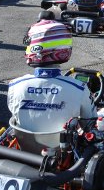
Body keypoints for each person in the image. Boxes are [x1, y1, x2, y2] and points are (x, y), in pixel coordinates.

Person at [8, 18, 98, 151]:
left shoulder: (15, 86)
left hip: (23, 150)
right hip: (63, 155)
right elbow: (90, 123)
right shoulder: (79, 88)